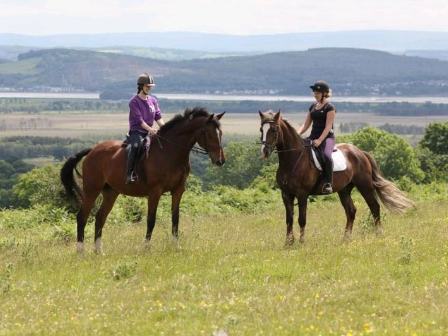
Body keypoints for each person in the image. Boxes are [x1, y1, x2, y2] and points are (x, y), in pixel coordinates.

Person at [297, 80, 336, 194]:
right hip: (312, 137)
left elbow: (328, 126)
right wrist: (296, 135)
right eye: (314, 92)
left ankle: (329, 183)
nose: (315, 94)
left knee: (326, 156)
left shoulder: (330, 107)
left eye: (318, 92)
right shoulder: (313, 107)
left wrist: (320, 140)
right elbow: (306, 125)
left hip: (327, 138)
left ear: (324, 93)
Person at [126, 73, 165, 184]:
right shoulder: (134, 101)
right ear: (140, 86)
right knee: (135, 146)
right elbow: (139, 120)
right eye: (147, 86)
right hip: (137, 131)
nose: (149, 89)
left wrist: (165, 129)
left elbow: (158, 116)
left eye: (150, 87)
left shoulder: (153, 100)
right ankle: (130, 173)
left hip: (149, 131)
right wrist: (151, 130)